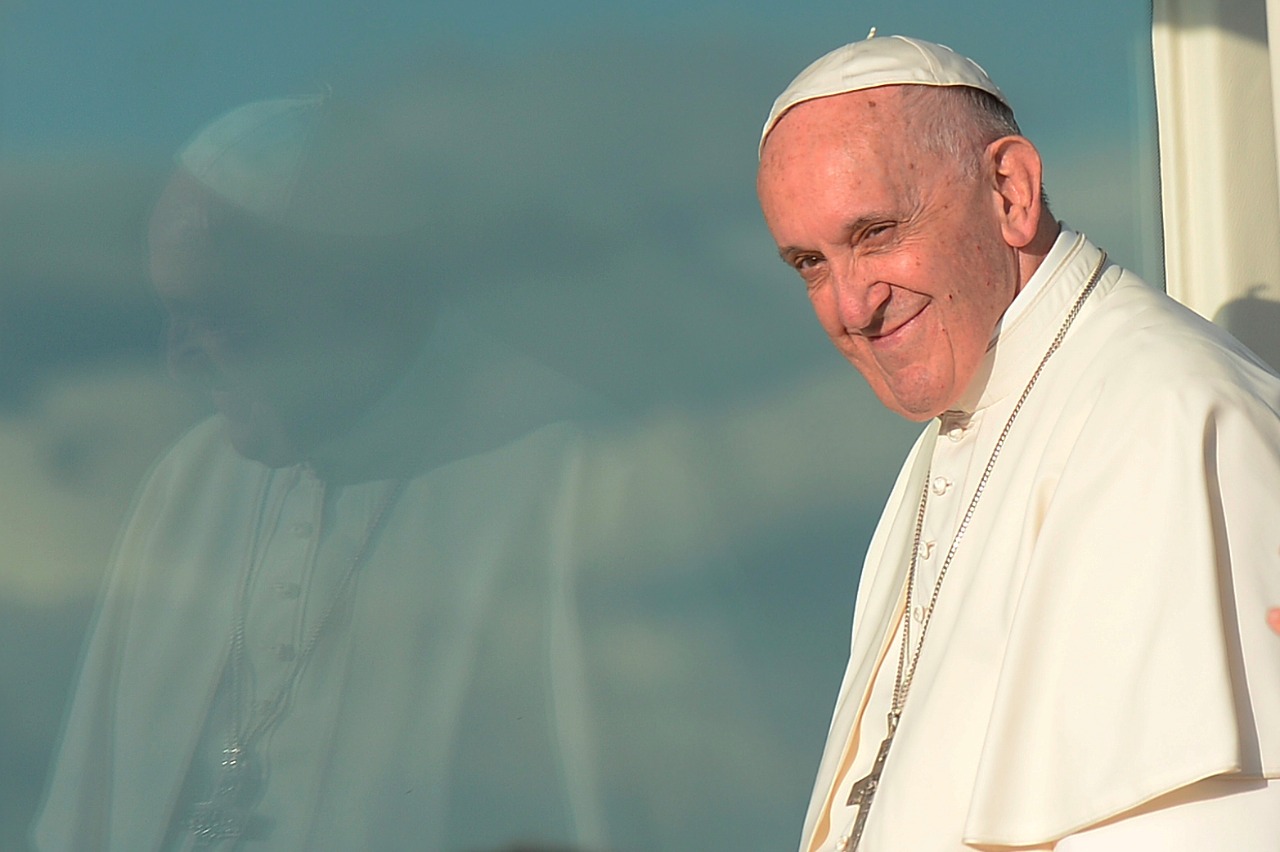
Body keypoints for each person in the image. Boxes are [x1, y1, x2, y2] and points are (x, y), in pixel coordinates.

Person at [32, 94, 614, 852]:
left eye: (217, 314)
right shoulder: (190, 480)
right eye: (167, 313)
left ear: (355, 291)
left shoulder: (571, 482)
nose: (179, 360)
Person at [756, 32, 1280, 852]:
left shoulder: (1173, 418)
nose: (852, 306)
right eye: (810, 264)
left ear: (1010, 190)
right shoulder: (949, 444)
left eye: (875, 233)